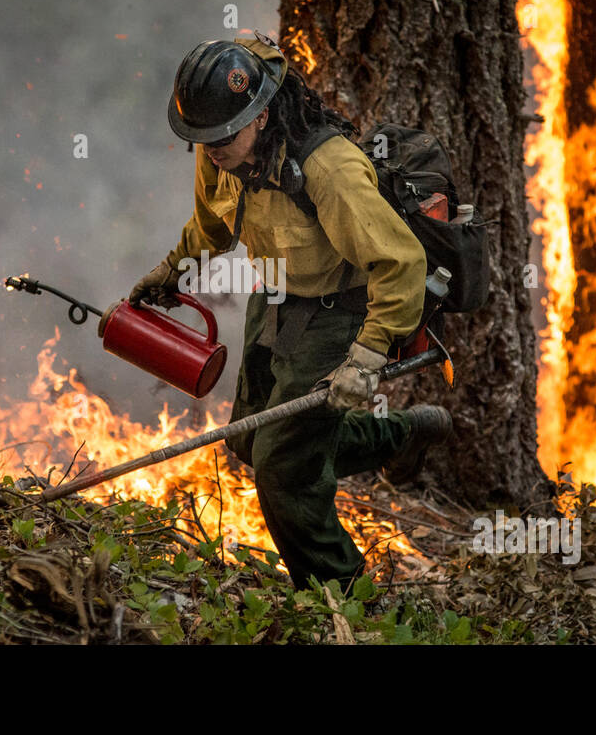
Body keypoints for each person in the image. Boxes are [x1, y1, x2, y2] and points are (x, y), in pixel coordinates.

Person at [129, 35, 452, 591]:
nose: (213, 149)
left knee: (282, 471)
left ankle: (346, 598)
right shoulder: (219, 153)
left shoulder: (329, 168)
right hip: (276, 297)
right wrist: (172, 270)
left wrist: (367, 358)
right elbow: (211, 224)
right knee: (250, 442)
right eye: (202, 139)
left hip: (341, 310)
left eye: (225, 135)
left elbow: (399, 263)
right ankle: (398, 436)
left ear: (261, 114)